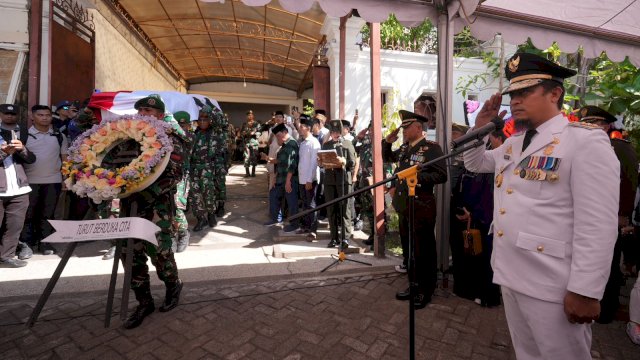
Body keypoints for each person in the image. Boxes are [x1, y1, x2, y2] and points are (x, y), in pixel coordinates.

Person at [464, 52, 619, 358]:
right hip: (511, 272)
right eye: (513, 94)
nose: (516, 101)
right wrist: (479, 128)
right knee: (528, 355)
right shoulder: (516, 142)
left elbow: (597, 224)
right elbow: (475, 163)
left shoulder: (584, 142)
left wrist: (585, 290)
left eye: (525, 92)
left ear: (555, 93)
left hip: (553, 284)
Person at [121, 94, 186, 329]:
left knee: (159, 252)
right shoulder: (128, 137)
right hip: (129, 206)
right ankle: (144, 301)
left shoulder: (171, 138)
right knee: (129, 255)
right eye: (141, 112)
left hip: (156, 206)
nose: (143, 116)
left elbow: (175, 174)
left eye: (148, 113)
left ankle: (172, 286)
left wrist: (144, 193)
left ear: (160, 116)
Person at [577, 105, 639, 324]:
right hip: (587, 212)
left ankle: (606, 310)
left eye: (593, 124)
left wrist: (623, 214)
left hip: (611, 215)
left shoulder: (619, 148)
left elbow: (630, 182)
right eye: (585, 124)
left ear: (605, 125)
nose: (588, 128)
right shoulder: (582, 147)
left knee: (609, 261)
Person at [383, 110, 447, 309]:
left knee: (423, 250)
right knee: (409, 249)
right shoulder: (404, 148)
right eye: (402, 128)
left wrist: (415, 177)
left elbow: (441, 175)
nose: (403, 131)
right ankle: (413, 285)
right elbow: (389, 158)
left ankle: (426, 290)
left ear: (418, 128)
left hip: (422, 207)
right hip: (405, 206)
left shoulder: (431, 148)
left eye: (406, 127)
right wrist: (387, 141)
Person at [20, 105, 68, 256]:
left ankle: (45, 242)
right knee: (28, 214)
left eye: (47, 115)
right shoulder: (24, 136)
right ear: (32, 117)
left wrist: (65, 179)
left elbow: (64, 159)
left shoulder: (59, 136)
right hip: (29, 181)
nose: (45, 118)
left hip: (53, 181)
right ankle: (26, 244)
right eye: (40, 115)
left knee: (48, 214)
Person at [0, 104, 35, 268]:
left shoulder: (21, 133)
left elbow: (31, 159)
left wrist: (22, 149)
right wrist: (4, 152)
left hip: (19, 189)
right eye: (6, 114)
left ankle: (7, 256)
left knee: (14, 226)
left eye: (13, 114)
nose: (9, 116)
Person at [319, 120, 356, 248]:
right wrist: (320, 161)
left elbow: (352, 163)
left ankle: (345, 238)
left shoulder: (347, 144)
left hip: (344, 181)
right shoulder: (326, 145)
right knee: (331, 209)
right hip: (329, 181)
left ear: (341, 132)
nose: (336, 134)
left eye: (338, 132)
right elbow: (322, 162)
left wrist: (344, 161)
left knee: (345, 209)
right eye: (333, 132)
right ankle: (334, 237)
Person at [262, 123, 299, 232]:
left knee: (292, 202)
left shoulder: (292, 144)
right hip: (280, 178)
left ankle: (294, 224)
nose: (277, 138)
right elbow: (281, 161)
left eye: (278, 136)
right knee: (273, 194)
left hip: (290, 179)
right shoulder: (283, 145)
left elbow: (292, 164)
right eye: (276, 136)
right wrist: (270, 160)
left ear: (285, 132)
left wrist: (288, 181)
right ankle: (276, 218)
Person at [190, 108, 221, 232]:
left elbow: (220, 121)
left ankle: (211, 214)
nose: (202, 122)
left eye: (205, 119)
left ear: (210, 121)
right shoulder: (193, 134)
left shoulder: (214, 132)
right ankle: (201, 219)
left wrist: (208, 109)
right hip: (194, 169)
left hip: (207, 168)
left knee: (208, 193)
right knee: (195, 195)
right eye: (200, 120)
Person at [296, 114, 320, 239]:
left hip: (310, 179)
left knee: (311, 204)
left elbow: (314, 163)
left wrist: (309, 179)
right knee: (305, 204)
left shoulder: (313, 142)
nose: (300, 128)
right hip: (302, 178)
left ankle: (313, 229)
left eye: (303, 126)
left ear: (308, 128)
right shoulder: (303, 142)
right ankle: (305, 226)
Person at [172, 111, 193, 253]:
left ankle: (184, 233)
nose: (181, 126)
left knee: (177, 205)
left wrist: (172, 126)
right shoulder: (167, 135)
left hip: (181, 176)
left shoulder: (190, 137)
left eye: (183, 124)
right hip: (167, 175)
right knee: (168, 208)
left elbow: (185, 137)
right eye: (179, 124)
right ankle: (172, 236)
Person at [240, 110, 260, 177]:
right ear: (246, 116)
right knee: (246, 157)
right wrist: (243, 134)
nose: (249, 116)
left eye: (251, 115)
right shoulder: (244, 124)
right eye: (248, 115)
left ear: (253, 116)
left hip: (254, 142)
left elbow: (260, 132)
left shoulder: (256, 124)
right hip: (246, 142)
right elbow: (241, 133)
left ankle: (253, 172)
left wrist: (255, 133)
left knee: (254, 157)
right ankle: (247, 172)